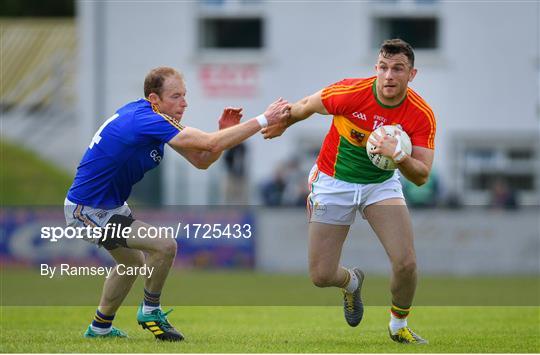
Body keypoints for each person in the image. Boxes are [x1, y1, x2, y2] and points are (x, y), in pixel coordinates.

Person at [64, 67, 289, 341]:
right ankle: (150, 310)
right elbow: (207, 143)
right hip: (86, 209)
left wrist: (223, 134)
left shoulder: (155, 119)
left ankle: (99, 329)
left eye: (184, 95)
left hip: (109, 206)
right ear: (154, 99)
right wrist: (265, 119)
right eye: (175, 96)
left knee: (132, 263)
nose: (184, 103)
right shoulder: (146, 120)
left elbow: (201, 160)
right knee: (164, 245)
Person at [263, 39, 436, 344]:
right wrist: (284, 124)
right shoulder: (350, 92)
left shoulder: (420, 114)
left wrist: (400, 156)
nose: (389, 76)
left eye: (398, 69)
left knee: (406, 262)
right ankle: (352, 282)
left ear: (412, 74)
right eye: (383, 67)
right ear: (376, 68)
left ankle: (399, 325)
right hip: (333, 182)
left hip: (380, 185)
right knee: (321, 275)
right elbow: (305, 106)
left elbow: (421, 175)